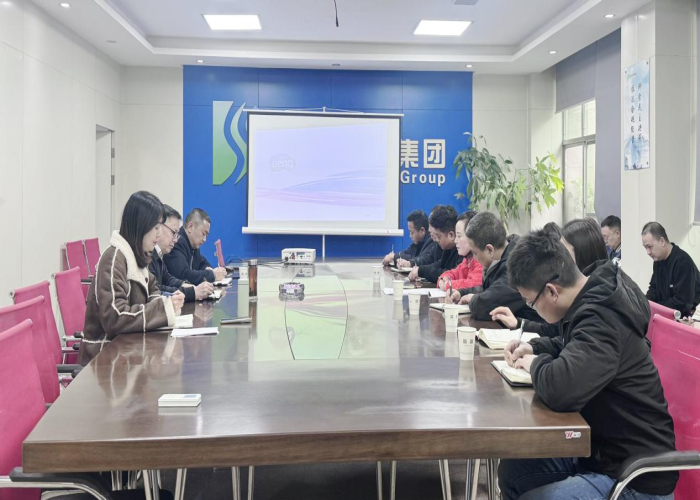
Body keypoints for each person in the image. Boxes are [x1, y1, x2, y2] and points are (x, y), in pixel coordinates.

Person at [499, 230, 677, 500]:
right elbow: (574, 346)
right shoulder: (591, 297)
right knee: (513, 471)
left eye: (530, 302)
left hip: (634, 476)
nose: (531, 308)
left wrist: (535, 363)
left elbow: (561, 389)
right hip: (601, 453)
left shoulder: (603, 317)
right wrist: (536, 346)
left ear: (552, 291)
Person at [79, 191, 184, 365]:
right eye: (156, 227)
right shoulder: (113, 260)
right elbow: (115, 317)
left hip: (126, 355)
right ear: (141, 225)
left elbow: (153, 289)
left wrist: (166, 304)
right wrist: (162, 309)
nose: (158, 235)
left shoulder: (137, 257)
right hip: (103, 360)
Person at [491, 218, 608, 337]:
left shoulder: (596, 314)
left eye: (563, 250)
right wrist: (518, 324)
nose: (557, 254)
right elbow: (555, 333)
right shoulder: (578, 294)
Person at [447, 212, 541, 322]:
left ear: (489, 250)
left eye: (475, 253)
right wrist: (462, 292)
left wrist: (473, 299)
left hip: (532, 328)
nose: (474, 258)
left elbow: (484, 307)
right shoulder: (503, 255)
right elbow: (492, 289)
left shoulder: (517, 265)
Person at [150, 205, 215, 303]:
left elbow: (168, 279)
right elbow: (156, 290)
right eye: (174, 233)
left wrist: (185, 285)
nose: (175, 240)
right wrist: (192, 292)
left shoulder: (158, 254)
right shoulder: (148, 255)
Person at [643, 221, 700, 317]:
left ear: (662, 241)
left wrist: (656, 308)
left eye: (650, 247)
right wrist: (644, 303)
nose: (648, 252)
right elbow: (654, 289)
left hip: (687, 317)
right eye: (645, 248)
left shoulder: (682, 262)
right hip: (667, 312)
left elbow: (682, 302)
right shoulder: (658, 261)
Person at [164, 208, 227, 285]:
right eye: (203, 234)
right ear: (190, 226)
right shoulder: (177, 242)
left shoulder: (193, 245)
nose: (204, 239)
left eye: (206, 235)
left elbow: (202, 262)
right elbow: (183, 275)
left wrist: (207, 269)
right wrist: (212, 275)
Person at [407, 205, 460, 283]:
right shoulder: (447, 248)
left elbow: (451, 274)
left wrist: (422, 271)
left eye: (438, 236)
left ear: (451, 235)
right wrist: (419, 269)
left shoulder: (461, 251)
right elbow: (439, 264)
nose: (436, 240)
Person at [436, 211, 483, 291]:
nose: (455, 241)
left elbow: (475, 284)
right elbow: (453, 273)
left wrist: (448, 284)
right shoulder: (467, 260)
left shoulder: (481, 260)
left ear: (473, 236)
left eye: (459, 236)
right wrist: (443, 279)